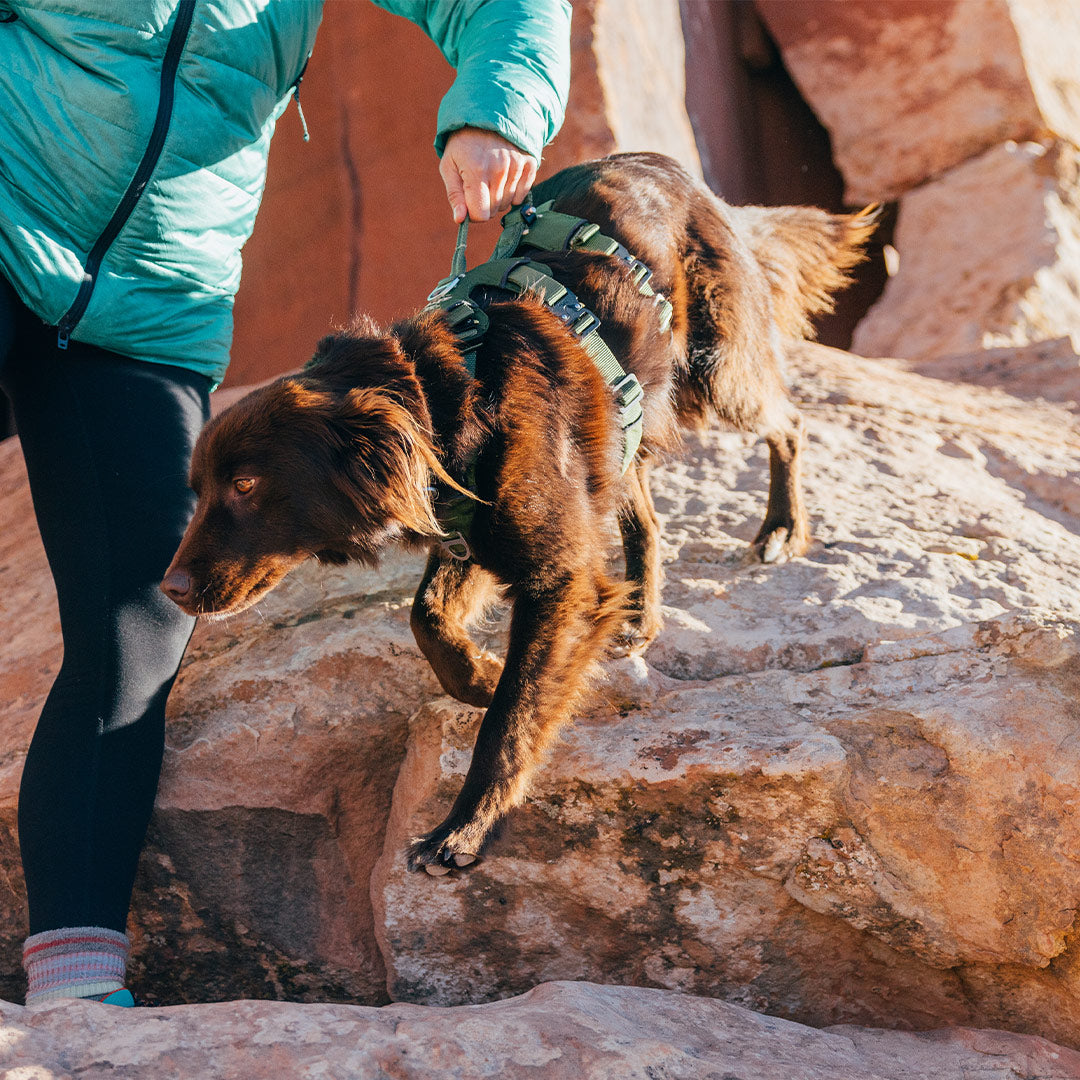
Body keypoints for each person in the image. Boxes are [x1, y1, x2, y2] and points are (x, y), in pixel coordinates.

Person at [0, 0, 570, 1006]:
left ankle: (76, 995)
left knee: (139, 626)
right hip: (6, 229)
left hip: (149, 311)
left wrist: (498, 109)